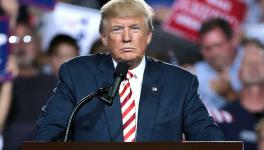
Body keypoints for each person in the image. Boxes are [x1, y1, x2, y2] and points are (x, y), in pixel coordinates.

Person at [35, 0, 224, 142]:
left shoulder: (179, 82)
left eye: (135, 28)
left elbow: (210, 138)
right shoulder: (77, 75)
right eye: (117, 29)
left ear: (148, 35)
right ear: (104, 37)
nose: (127, 38)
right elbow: (47, 133)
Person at [2, 21, 57, 149]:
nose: (20, 45)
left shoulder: (55, 82)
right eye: (13, 38)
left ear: (38, 44)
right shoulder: (3, 84)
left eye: (27, 38)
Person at [218, 38, 264, 150]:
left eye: (260, 62)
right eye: (248, 63)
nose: (254, 66)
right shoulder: (223, 116)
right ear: (239, 73)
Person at [194, 18, 243, 109]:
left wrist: (230, 94)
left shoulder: (252, 61)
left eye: (218, 45)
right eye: (207, 48)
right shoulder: (196, 73)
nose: (213, 53)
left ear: (233, 41)